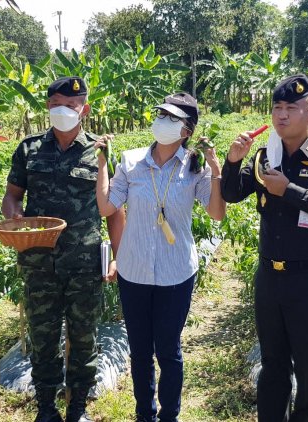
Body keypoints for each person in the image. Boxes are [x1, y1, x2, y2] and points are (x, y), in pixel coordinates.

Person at [220, 74, 308, 421]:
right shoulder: (266, 156)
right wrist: (234, 161)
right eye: (277, 107)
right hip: (270, 278)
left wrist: (289, 190)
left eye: (291, 108)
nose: (281, 115)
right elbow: (232, 194)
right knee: (273, 364)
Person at [95, 93, 226, 422]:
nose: (162, 122)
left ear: (186, 130)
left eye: (171, 119)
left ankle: (170, 416)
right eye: (160, 115)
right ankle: (145, 415)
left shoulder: (194, 168)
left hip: (176, 274)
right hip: (133, 271)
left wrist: (216, 169)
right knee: (139, 352)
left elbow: (216, 214)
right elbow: (106, 207)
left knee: (168, 350)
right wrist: (102, 164)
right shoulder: (130, 161)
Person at [1, 76, 125, 422]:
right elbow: (12, 196)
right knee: (42, 335)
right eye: (57, 104)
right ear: (48, 106)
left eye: (71, 105)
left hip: (84, 262)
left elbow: (115, 209)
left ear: (83, 108)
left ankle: (79, 408)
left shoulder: (100, 151)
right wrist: (15, 219)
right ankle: (46, 408)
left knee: (84, 336)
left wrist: (118, 256)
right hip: (38, 260)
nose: (64, 111)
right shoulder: (29, 150)